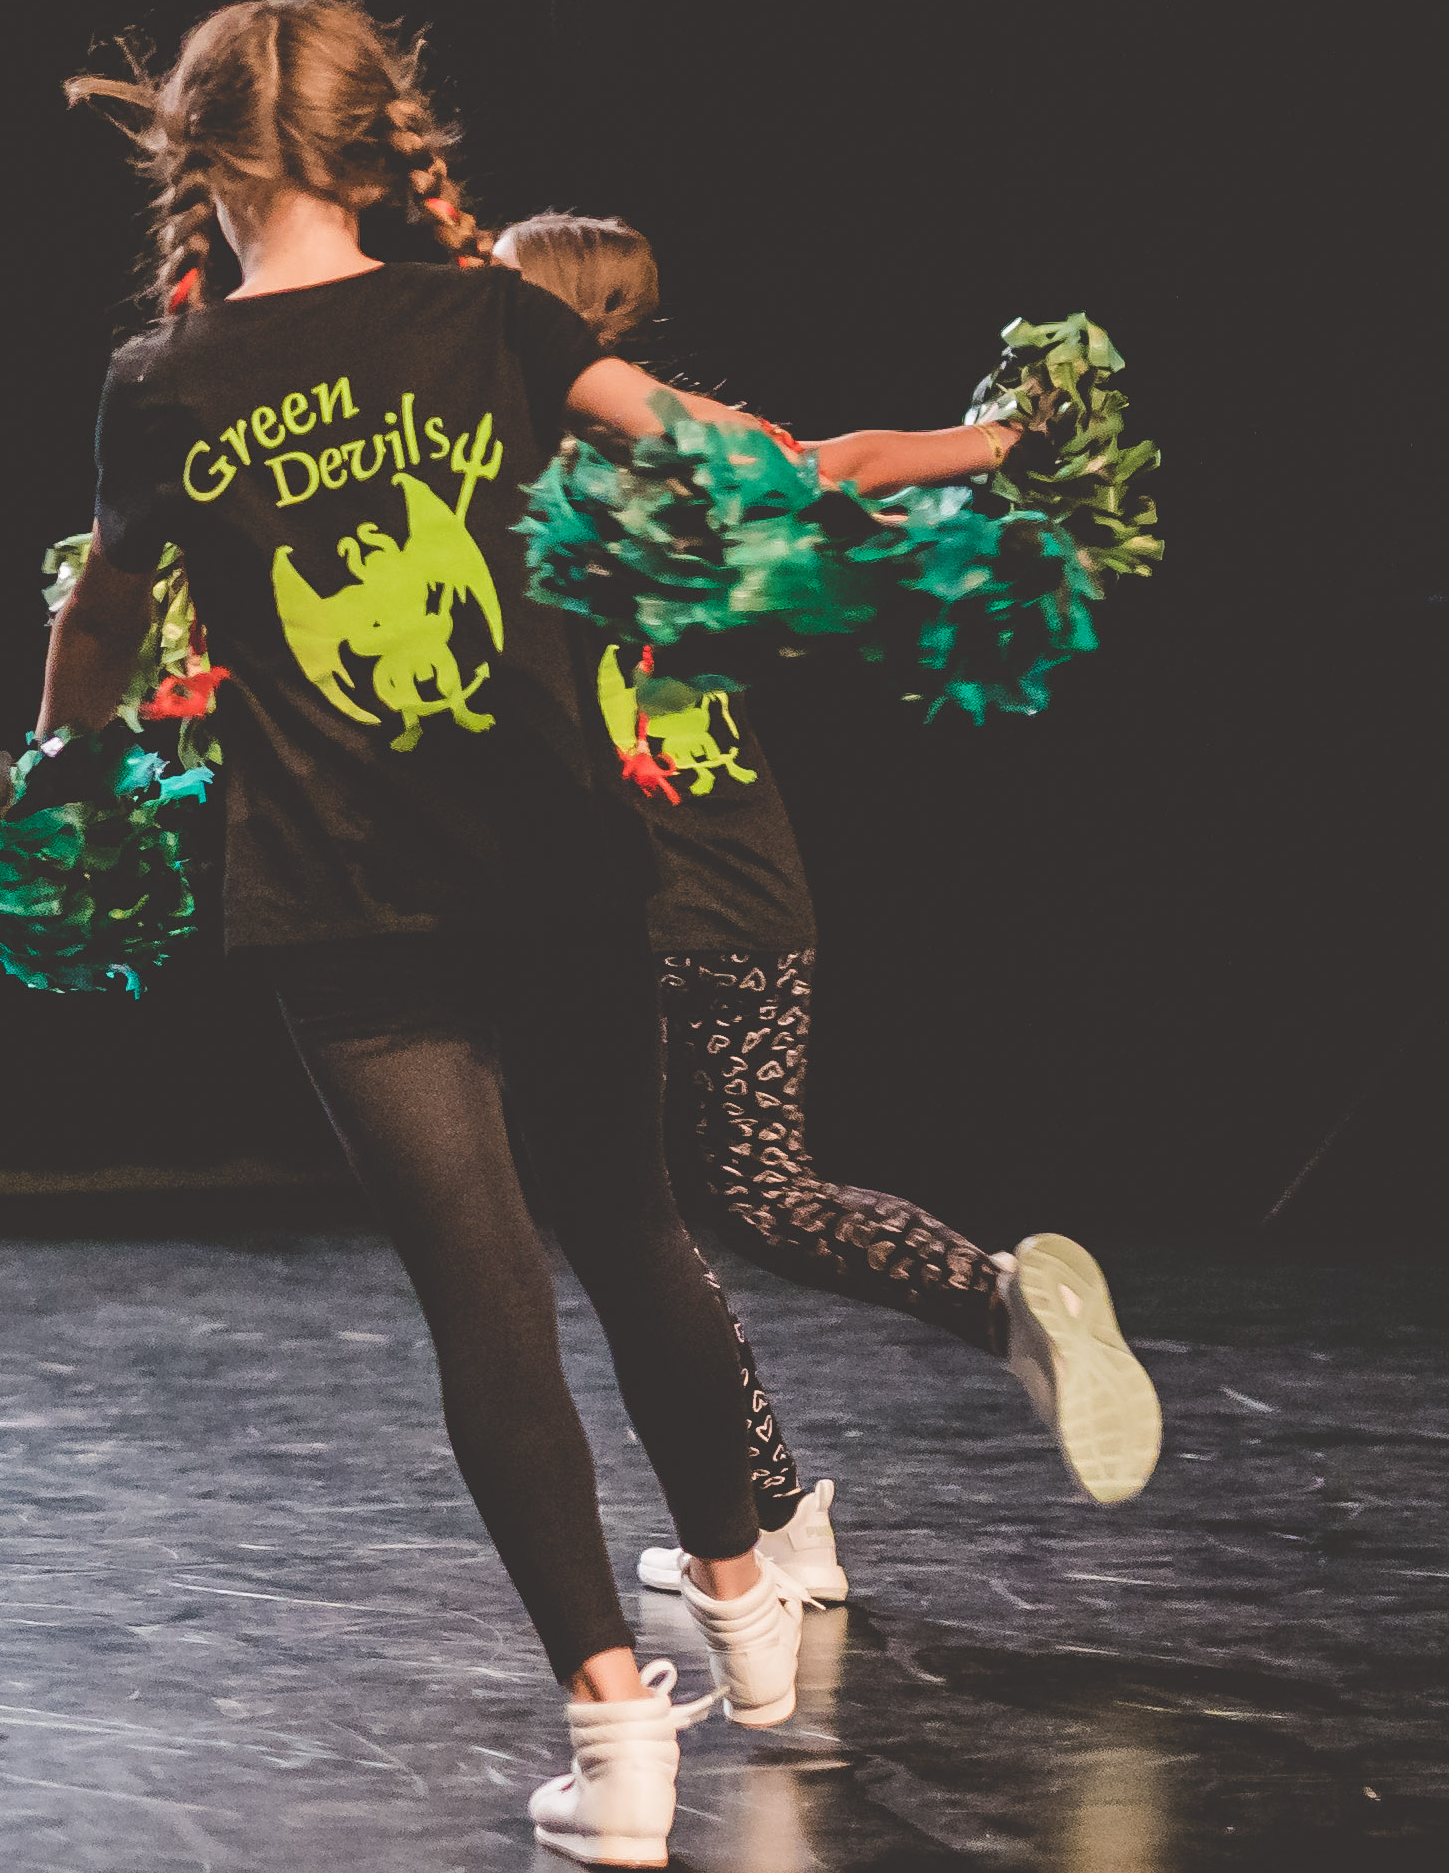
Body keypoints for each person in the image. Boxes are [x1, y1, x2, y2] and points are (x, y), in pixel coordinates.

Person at [34, 0, 885, 1873]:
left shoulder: (164, 378)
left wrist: (57, 770)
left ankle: (617, 1740)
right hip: (558, 876)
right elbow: (720, 452)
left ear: (202, 157)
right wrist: (850, 501)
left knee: (486, 1300)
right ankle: (741, 1607)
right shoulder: (493, 319)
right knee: (632, 1231)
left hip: (347, 911)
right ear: (370, 143)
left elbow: (100, 616)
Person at [482, 214, 1167, 1592]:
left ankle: (761, 1524)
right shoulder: (704, 460)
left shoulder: (500, 478)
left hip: (609, 908)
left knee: (641, 1227)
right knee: (764, 1187)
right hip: (752, 890)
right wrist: (1006, 438)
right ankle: (997, 1298)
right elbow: (844, 462)